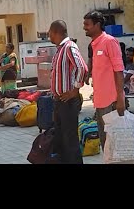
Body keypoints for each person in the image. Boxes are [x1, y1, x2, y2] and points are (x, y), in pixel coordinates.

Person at [83, 10, 125, 149]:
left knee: (113, 144)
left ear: (98, 25)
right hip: (100, 101)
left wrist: (120, 99)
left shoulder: (109, 42)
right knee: (105, 144)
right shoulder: (94, 44)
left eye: (87, 24)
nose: (84, 27)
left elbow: (118, 71)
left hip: (111, 102)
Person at [48, 20, 88, 164]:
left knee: (70, 141)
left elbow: (82, 68)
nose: (49, 36)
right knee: (60, 140)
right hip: (59, 101)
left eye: (50, 33)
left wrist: (74, 91)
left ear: (57, 32)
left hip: (68, 102)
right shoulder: (60, 49)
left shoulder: (69, 47)